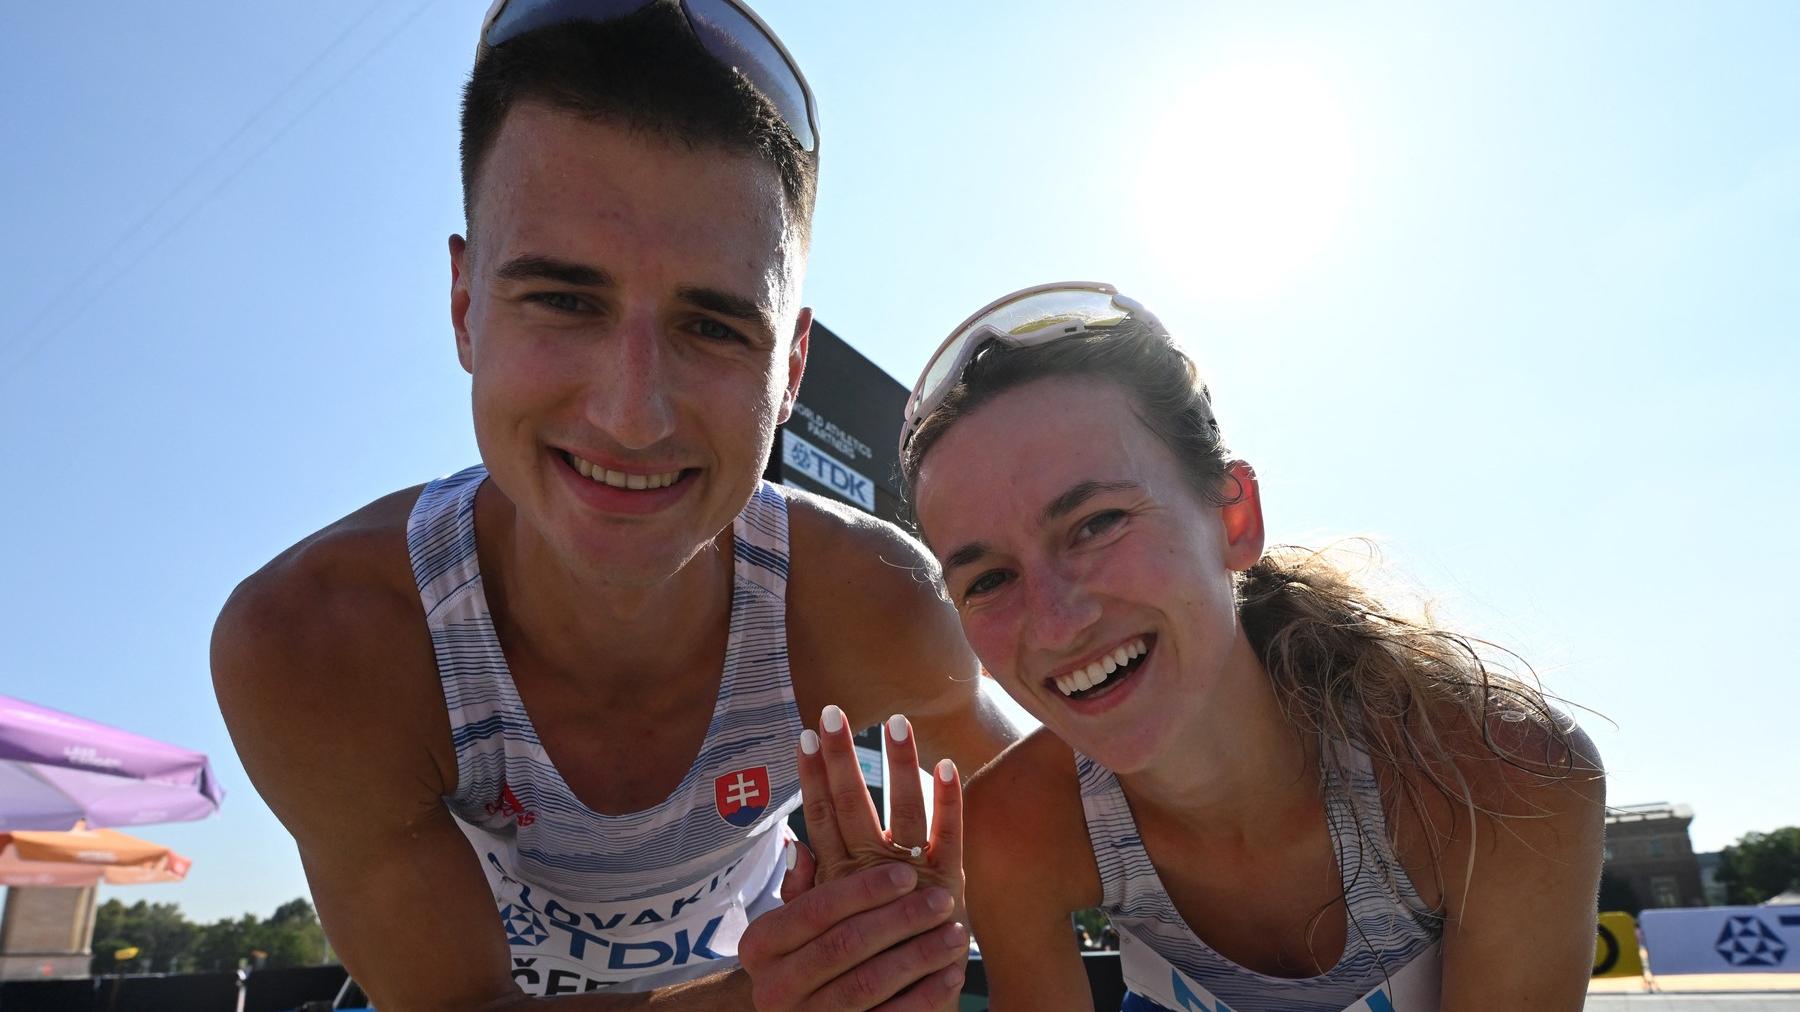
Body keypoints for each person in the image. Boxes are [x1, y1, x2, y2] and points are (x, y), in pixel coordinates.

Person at [209, 3, 1013, 1008]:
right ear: (465, 308)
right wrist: (776, 999)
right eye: (563, 300)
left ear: (793, 365)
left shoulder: (875, 600)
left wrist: (916, 925)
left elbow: (1084, 806)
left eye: (715, 326)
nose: (633, 415)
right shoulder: (320, 641)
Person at [885, 282, 1606, 1010]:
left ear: (1235, 519)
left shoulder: (1502, 778)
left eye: (1097, 524)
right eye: (989, 579)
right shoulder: (1013, 831)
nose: (1055, 623)